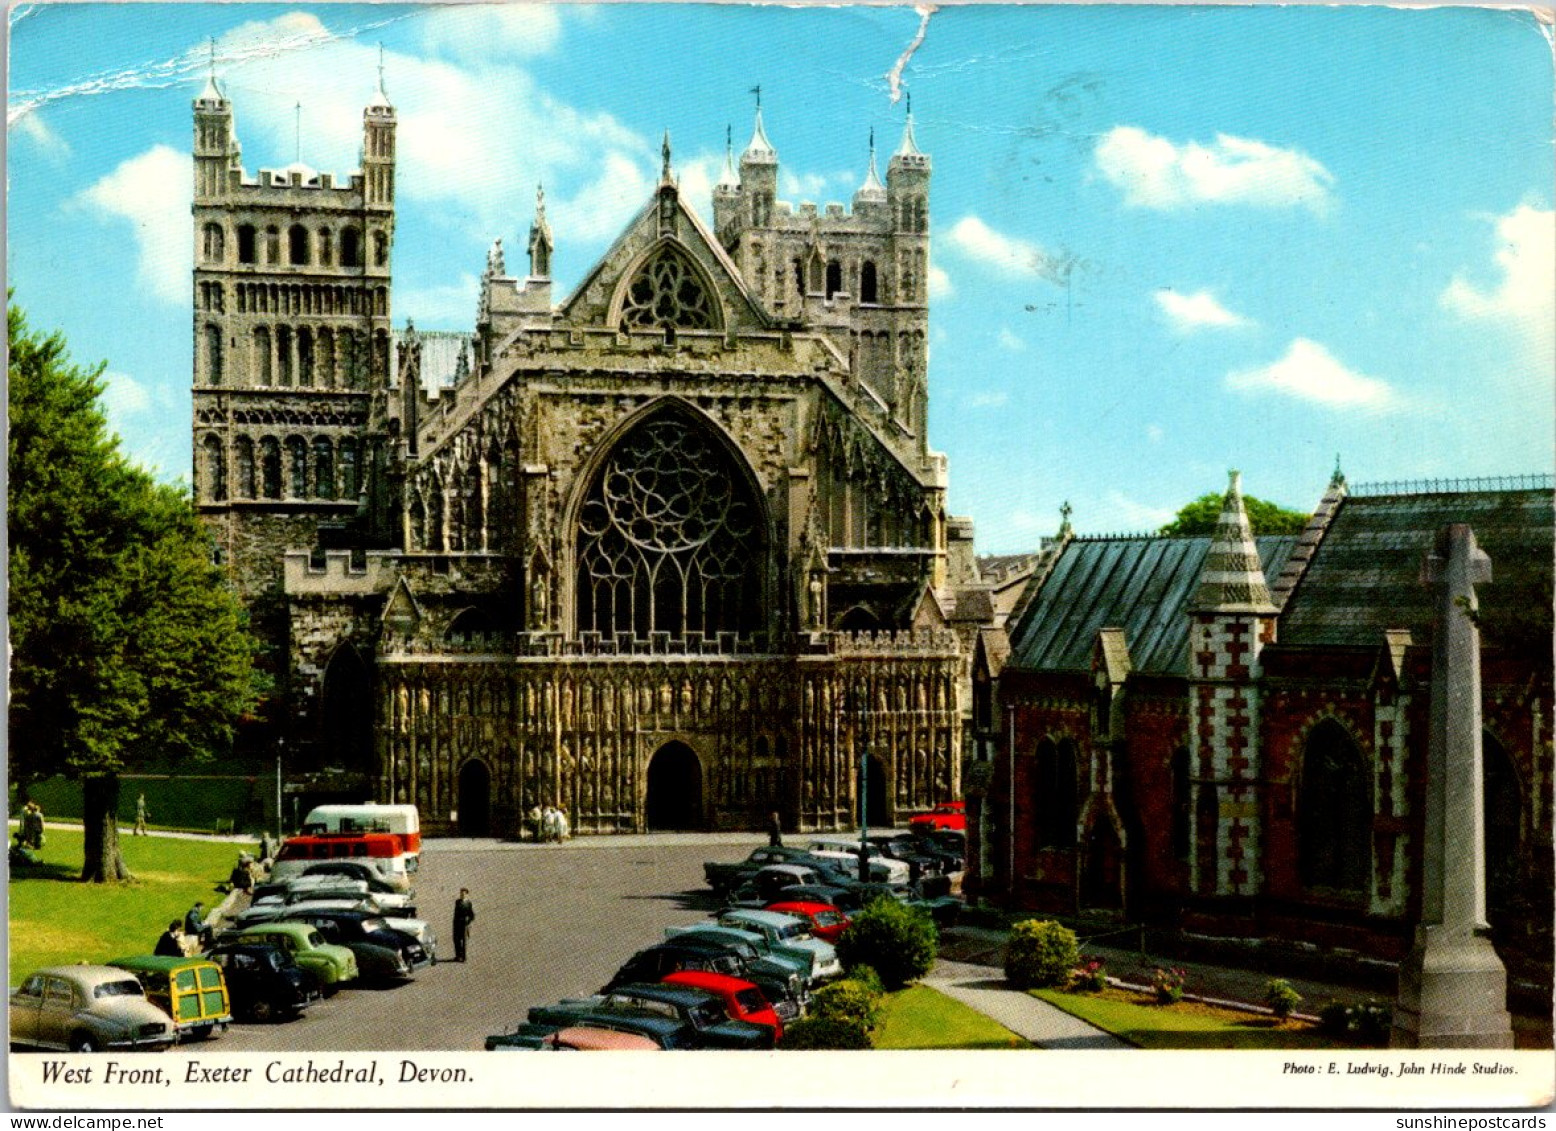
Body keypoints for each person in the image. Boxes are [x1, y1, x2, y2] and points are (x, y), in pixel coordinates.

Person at [452, 888, 475, 962]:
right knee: (456, 940)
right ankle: (458, 956)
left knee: (464, 941)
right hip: (456, 923)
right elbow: (456, 913)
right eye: (461, 893)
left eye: (463, 893)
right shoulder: (457, 902)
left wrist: (468, 922)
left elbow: (472, 915)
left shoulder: (468, 903)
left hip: (464, 924)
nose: (462, 895)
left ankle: (464, 957)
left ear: (466, 894)